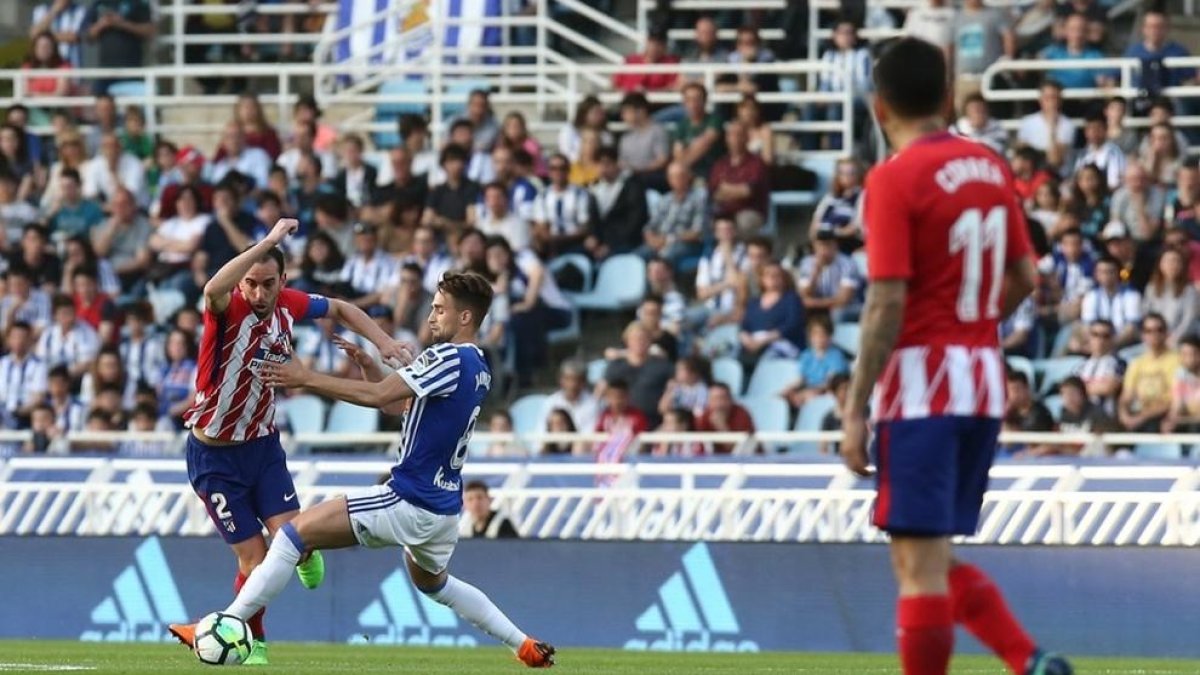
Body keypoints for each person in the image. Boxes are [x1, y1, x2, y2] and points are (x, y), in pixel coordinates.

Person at [172, 271, 556, 669]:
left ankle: (226, 623)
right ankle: (523, 644)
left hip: (408, 497)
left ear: (465, 318)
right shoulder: (478, 366)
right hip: (442, 511)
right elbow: (400, 407)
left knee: (291, 535)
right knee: (435, 584)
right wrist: (372, 368)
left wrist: (307, 378)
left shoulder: (448, 357)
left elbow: (378, 399)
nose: (431, 316)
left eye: (440, 309)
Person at [840, 38, 1071, 675]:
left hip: (921, 389)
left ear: (878, 105)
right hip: (981, 385)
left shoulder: (891, 178)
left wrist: (854, 410)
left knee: (917, 569)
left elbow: (886, 302)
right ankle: (1028, 660)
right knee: (926, 558)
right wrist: (969, 326)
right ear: (947, 98)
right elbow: (1025, 276)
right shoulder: (990, 166)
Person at [167, 219, 410, 665]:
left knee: (297, 538)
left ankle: (300, 554)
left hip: (262, 448)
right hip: (214, 458)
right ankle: (255, 641)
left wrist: (384, 342)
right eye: (252, 284)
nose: (259, 294)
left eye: (268, 284)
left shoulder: (288, 305)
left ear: (283, 282)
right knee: (255, 557)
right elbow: (210, 289)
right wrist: (268, 242)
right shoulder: (227, 309)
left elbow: (340, 308)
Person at [1117, 312, 1179, 433]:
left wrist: (1141, 417)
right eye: (1148, 331)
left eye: (1159, 330)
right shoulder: (1136, 363)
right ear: (1142, 335)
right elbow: (1126, 396)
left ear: (1166, 333)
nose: (1154, 334)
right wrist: (1123, 414)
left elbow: (1173, 400)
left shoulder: (1177, 361)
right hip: (1139, 414)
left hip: (1162, 416)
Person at [708, 121, 769, 234]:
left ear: (747, 138)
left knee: (743, 222)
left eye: (739, 134)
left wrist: (726, 189)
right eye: (731, 135)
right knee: (708, 221)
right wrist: (736, 190)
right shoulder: (720, 164)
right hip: (724, 211)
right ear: (726, 138)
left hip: (750, 211)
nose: (735, 139)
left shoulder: (756, 163)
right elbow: (715, 193)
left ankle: (738, 251)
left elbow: (748, 191)